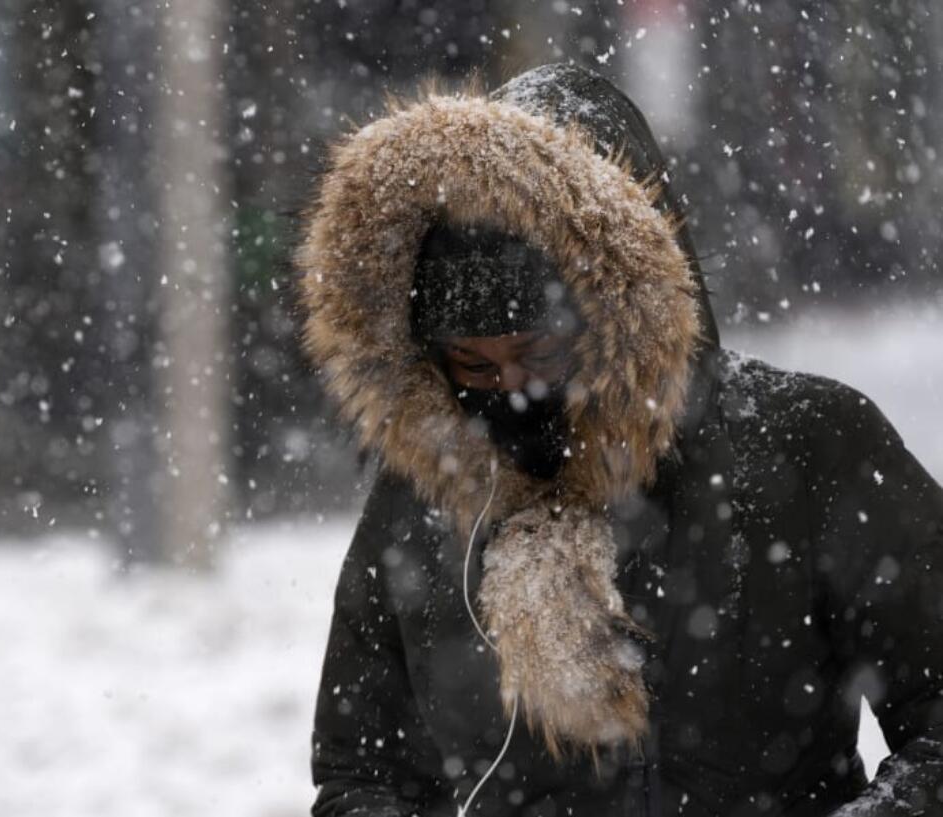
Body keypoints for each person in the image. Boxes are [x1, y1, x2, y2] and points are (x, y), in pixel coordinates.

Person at [294, 63, 943, 817]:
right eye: (474, 365)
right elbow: (361, 775)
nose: (509, 390)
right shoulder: (426, 493)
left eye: (539, 355)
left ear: (614, 323)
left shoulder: (808, 445)